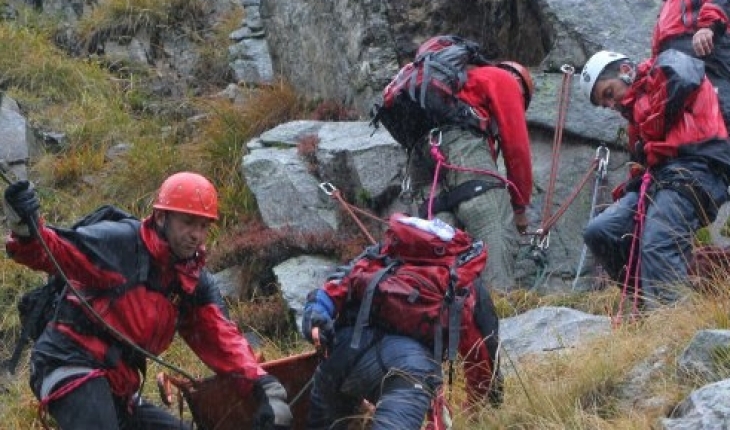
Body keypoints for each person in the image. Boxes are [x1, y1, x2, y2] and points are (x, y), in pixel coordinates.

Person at [2, 172, 293, 430]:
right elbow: (52, 250)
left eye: (204, 226)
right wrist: (24, 226)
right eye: (188, 222)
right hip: (68, 365)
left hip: (120, 386)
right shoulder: (121, 243)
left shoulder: (192, 282)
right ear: (162, 217)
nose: (196, 236)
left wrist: (264, 386)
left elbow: (221, 338)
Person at [300, 216, 502, 430]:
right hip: (410, 371)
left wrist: (315, 323)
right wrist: (478, 410)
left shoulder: (380, 257)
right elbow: (483, 360)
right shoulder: (464, 285)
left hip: (343, 357)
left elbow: (327, 294)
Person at [579, 49, 730, 306]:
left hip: (698, 168)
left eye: (609, 94)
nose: (613, 105)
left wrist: (651, 130)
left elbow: (684, 79)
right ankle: (646, 305)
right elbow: (646, 160)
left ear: (625, 71)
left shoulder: (668, 63)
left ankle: (674, 322)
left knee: (658, 243)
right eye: (607, 105)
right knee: (601, 231)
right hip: (663, 179)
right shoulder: (636, 119)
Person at [408, 61, 535, 291]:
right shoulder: (504, 80)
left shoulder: (458, 84)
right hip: (460, 146)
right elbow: (517, 147)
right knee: (493, 225)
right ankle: (500, 308)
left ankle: (444, 313)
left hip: (419, 154)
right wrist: (519, 207)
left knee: (442, 241)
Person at [632, 0, 730, 126]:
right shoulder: (665, 13)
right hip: (691, 92)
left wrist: (708, 26)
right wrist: (632, 78)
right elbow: (657, 60)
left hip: (718, 68)